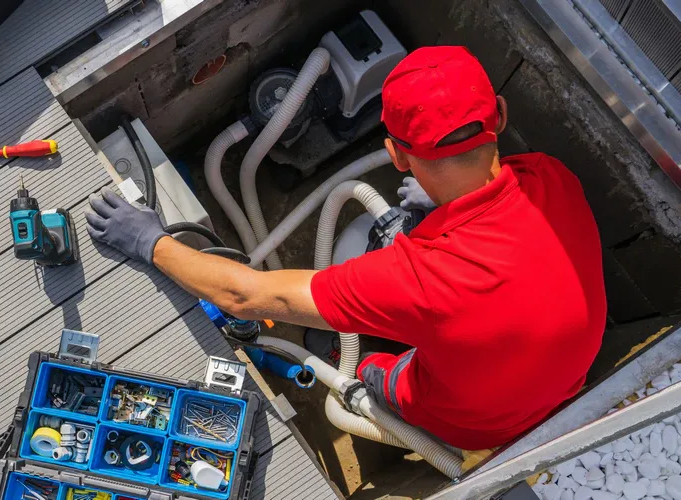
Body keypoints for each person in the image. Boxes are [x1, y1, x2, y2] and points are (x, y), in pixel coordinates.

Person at [86, 46, 607, 451]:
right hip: (564, 381)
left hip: (474, 424)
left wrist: (150, 241)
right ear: (498, 114)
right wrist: (438, 201)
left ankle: (344, 361)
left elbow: (245, 296)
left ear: (397, 156)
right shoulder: (549, 178)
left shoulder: (419, 281)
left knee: (377, 371)